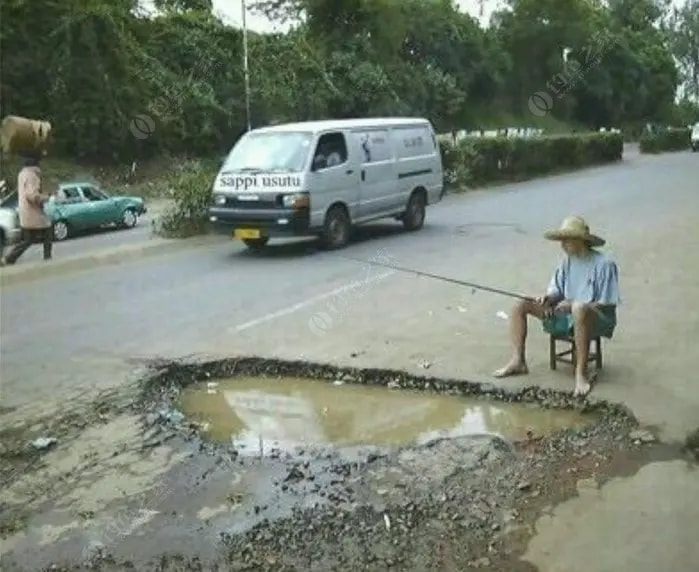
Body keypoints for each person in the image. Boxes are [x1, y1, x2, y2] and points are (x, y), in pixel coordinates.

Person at [493, 216, 620, 396]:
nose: (562, 245)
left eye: (566, 240)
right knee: (521, 301)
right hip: (566, 314)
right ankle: (518, 361)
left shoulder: (604, 264)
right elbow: (556, 291)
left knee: (578, 309)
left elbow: (605, 304)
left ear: (580, 240)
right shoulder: (566, 263)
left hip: (596, 318)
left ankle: (580, 374)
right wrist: (548, 298)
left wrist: (574, 305)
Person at [1, 150, 53, 265]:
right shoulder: (32, 175)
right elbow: (31, 195)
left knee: (28, 239)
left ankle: (8, 259)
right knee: (48, 230)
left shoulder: (22, 174)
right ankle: (48, 258)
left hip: (25, 211)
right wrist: (44, 198)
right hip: (33, 212)